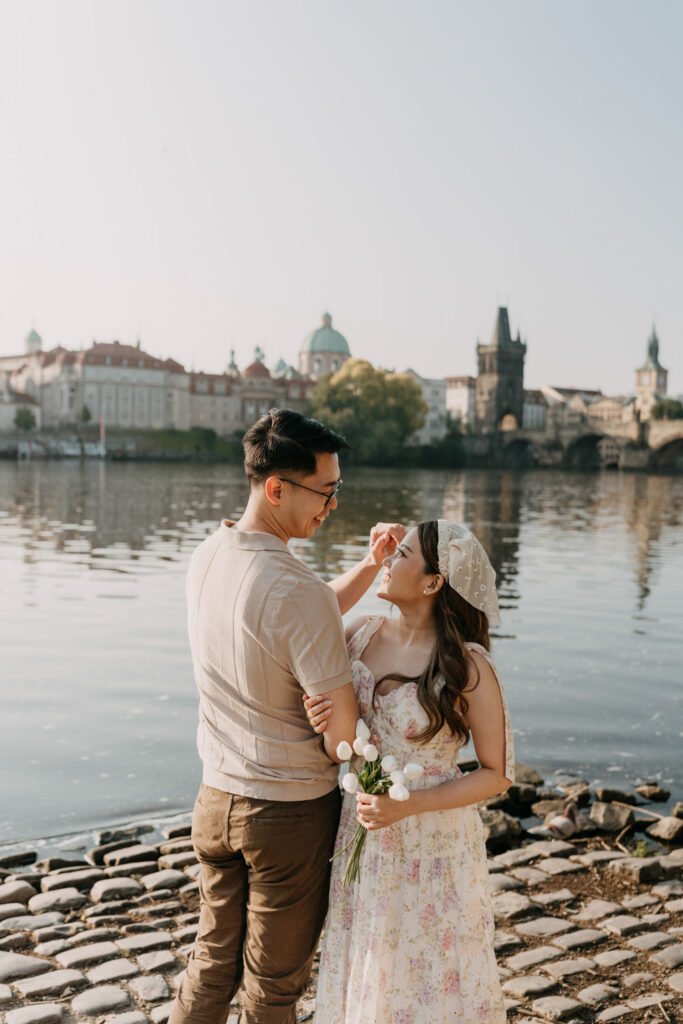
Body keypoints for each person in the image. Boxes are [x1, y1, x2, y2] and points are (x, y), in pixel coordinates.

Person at [169, 408, 403, 1024]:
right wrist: (340, 729)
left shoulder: (208, 554)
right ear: (277, 488)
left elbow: (298, 612)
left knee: (210, 966)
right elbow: (342, 743)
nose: (333, 505)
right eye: (325, 491)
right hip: (285, 815)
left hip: (215, 800)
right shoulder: (296, 590)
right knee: (274, 988)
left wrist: (371, 564)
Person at [305, 520, 514, 1024]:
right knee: (369, 957)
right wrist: (319, 718)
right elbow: (306, 616)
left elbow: (497, 774)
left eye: (401, 554)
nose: (388, 561)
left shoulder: (468, 667)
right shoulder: (359, 635)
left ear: (433, 582)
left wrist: (411, 804)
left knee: (426, 967)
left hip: (432, 841)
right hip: (364, 831)